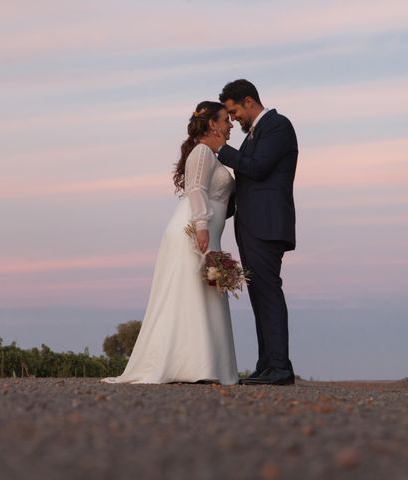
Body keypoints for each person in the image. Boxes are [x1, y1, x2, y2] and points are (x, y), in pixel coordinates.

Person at [102, 101, 238, 385]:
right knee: (189, 293)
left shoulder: (211, 155)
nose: (230, 124)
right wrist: (201, 227)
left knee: (205, 294)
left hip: (207, 230)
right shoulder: (202, 152)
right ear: (212, 124)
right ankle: (191, 365)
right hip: (193, 230)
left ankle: (206, 364)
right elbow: (196, 189)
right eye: (226, 119)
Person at [217, 79, 298, 386]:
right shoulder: (253, 136)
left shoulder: (278, 126)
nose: (233, 118)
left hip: (268, 224)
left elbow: (259, 168)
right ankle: (267, 364)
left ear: (249, 101)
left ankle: (280, 366)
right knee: (258, 294)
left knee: (268, 292)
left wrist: (222, 149)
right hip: (251, 226)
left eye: (234, 111)